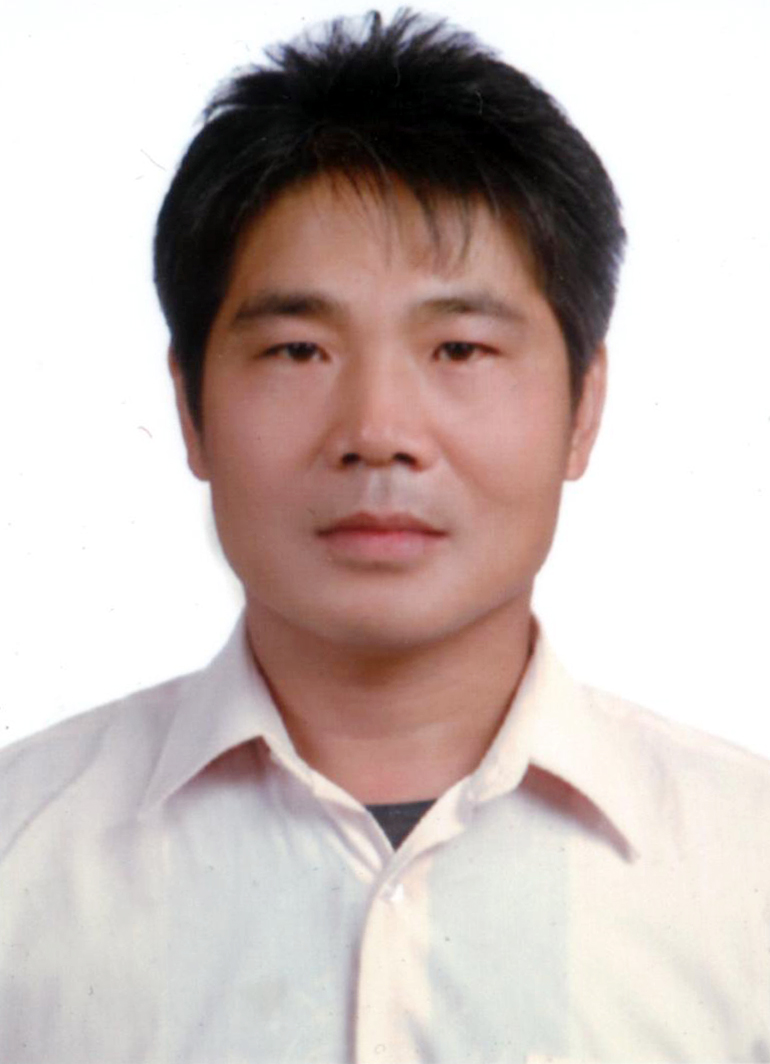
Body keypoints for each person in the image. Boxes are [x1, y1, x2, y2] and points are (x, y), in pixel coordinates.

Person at [1, 10, 768, 1063]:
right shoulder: (21, 856)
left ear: (583, 406)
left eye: (458, 348)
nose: (377, 431)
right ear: (189, 408)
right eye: (298, 350)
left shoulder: (746, 875)